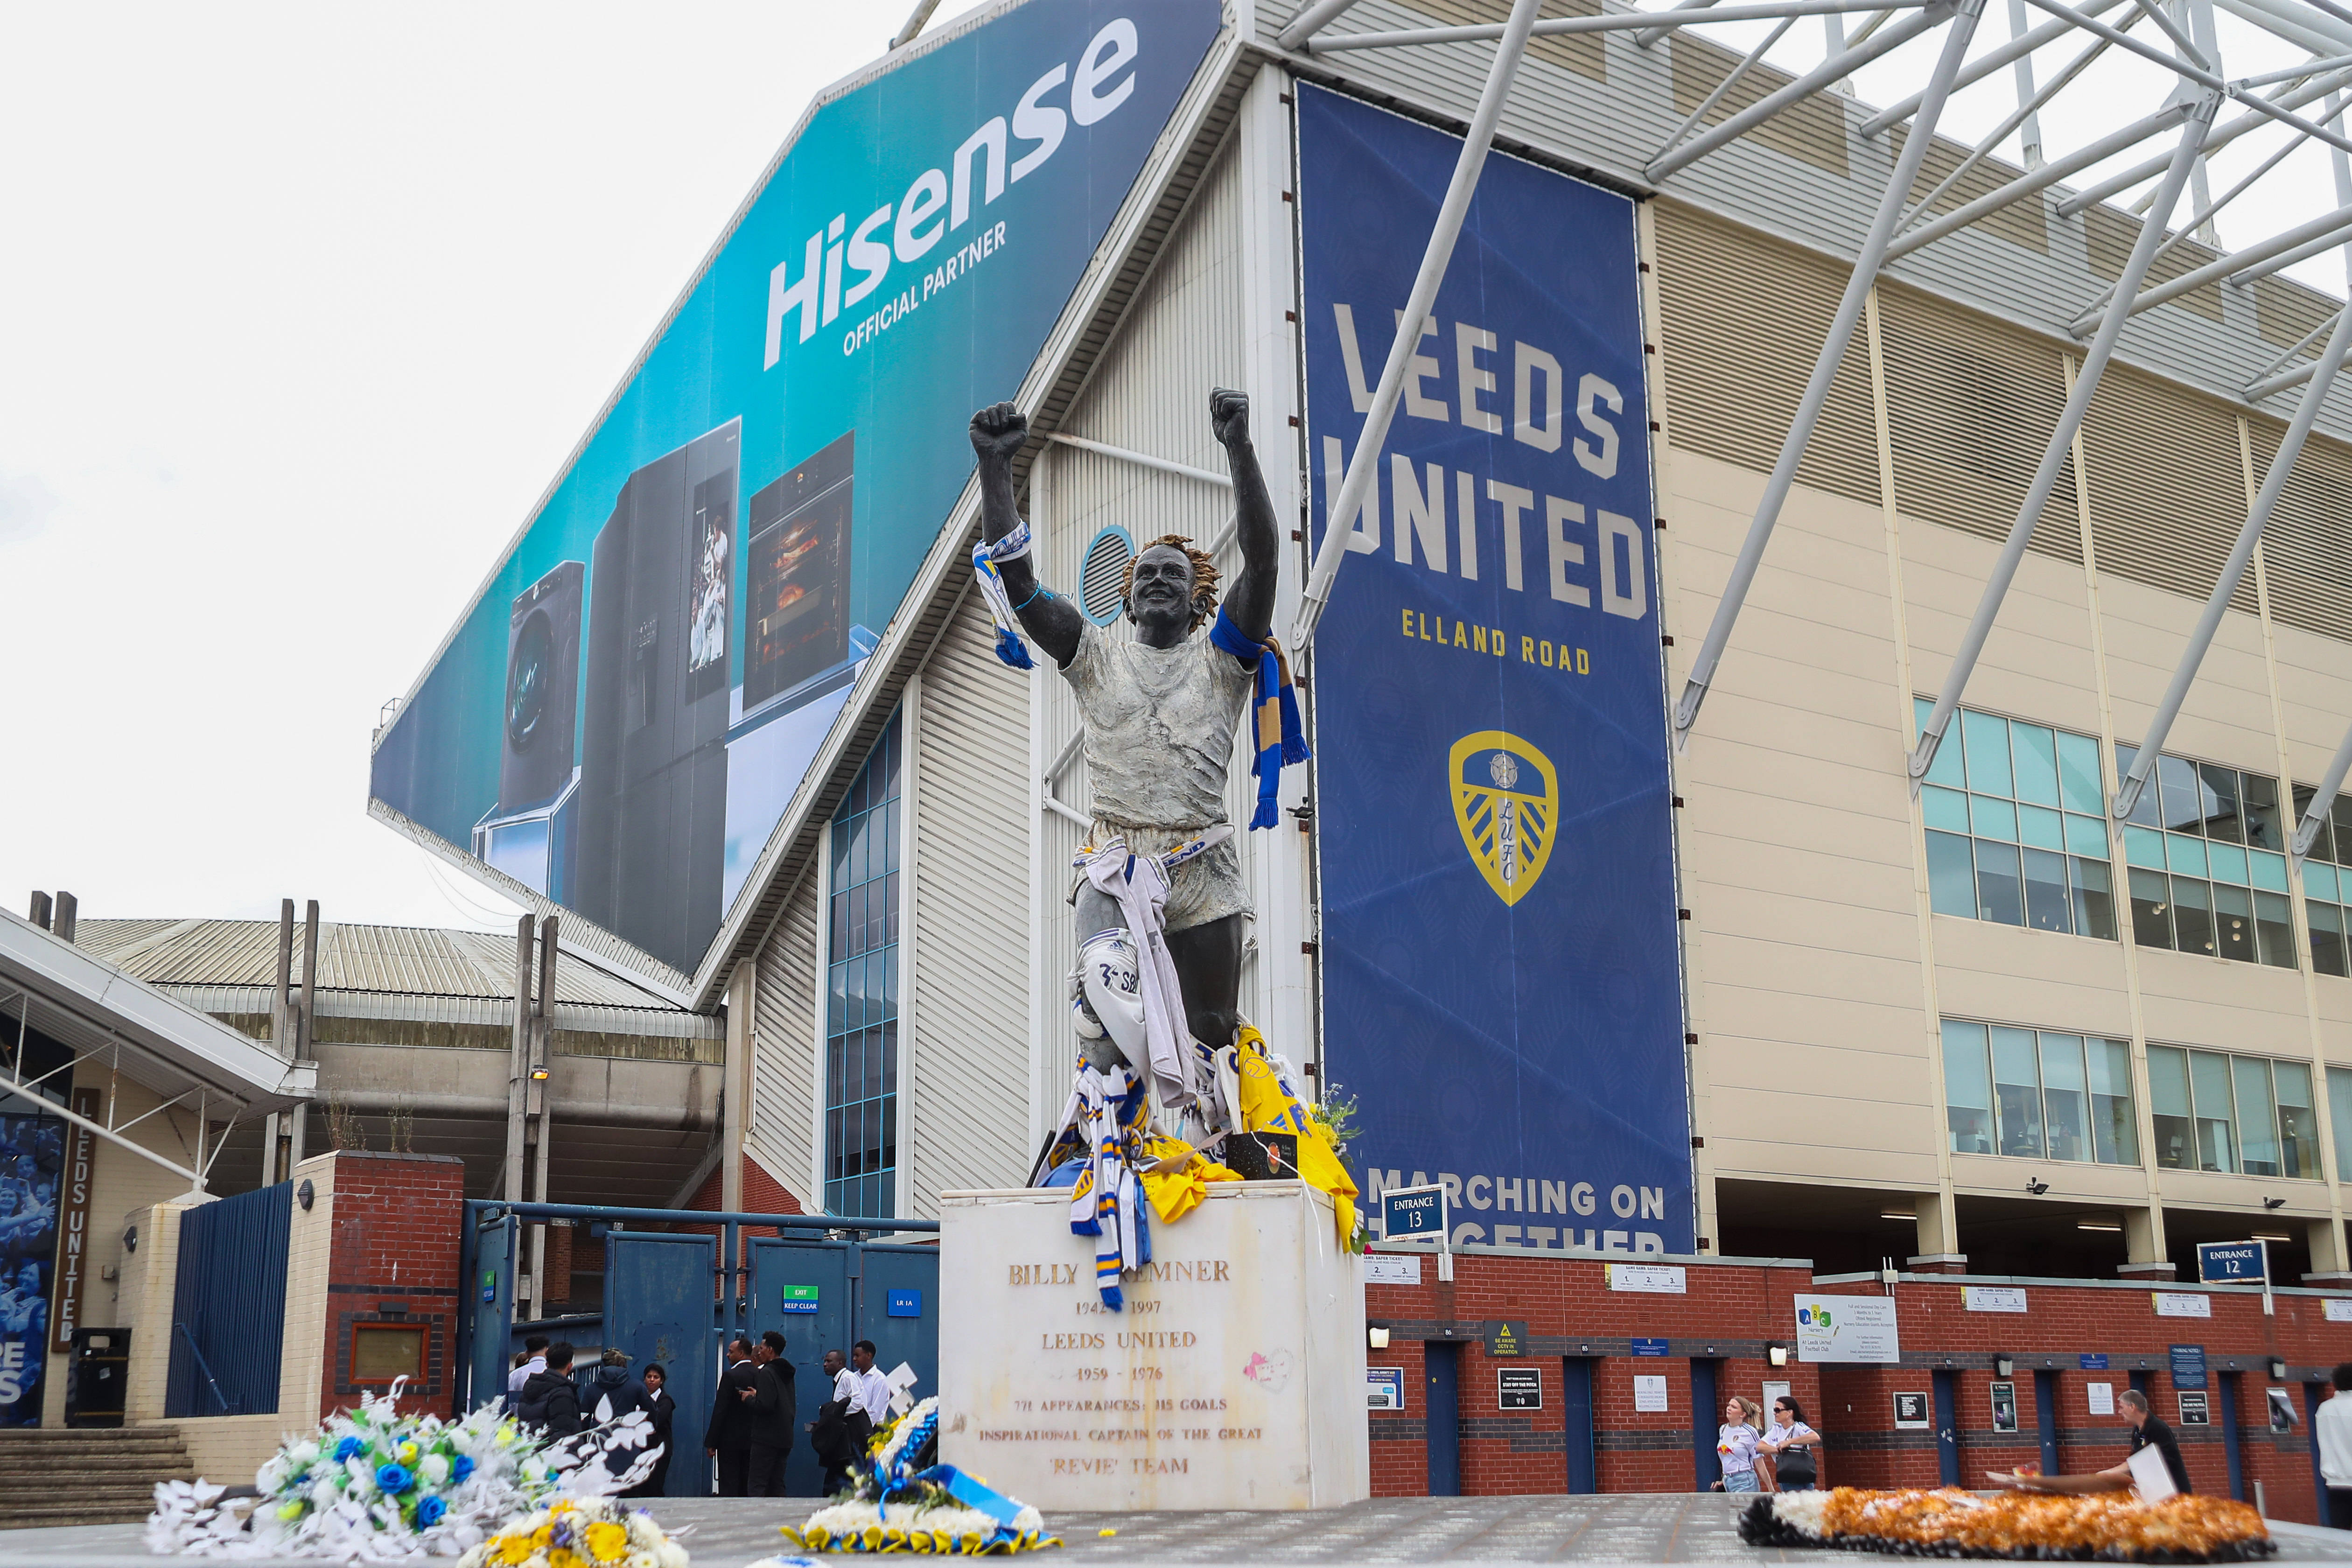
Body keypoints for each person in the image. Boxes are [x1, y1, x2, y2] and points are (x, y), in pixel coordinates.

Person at [970, 390, 1283, 1113]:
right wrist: (996, 470)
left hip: (1202, 869)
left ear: (1200, 599)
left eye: (1175, 573)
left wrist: (1238, 448)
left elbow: (1263, 564)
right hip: (1115, 862)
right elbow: (1019, 586)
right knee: (1105, 1021)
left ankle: (1232, 1167)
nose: (1160, 580)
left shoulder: (1224, 660)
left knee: (1213, 1040)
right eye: (1147, 576)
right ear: (1130, 601)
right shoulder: (1095, 656)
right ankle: (1106, 1161)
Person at [1992, 1387, 2191, 1496]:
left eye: (2121, 1408)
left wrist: (2107, 1474)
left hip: (2173, 1493)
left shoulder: (2158, 1429)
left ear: (2132, 1407)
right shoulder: (2138, 1431)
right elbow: (2133, 1463)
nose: (2119, 1412)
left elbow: (2140, 1462)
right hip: (2151, 1493)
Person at [704, 1336, 759, 1496]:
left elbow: (721, 1409)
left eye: (731, 1352)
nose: (728, 1355)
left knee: (730, 1485)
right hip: (755, 1440)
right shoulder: (761, 1374)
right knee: (748, 1484)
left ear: (741, 1354)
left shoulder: (730, 1376)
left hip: (730, 1442)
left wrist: (711, 1442)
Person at [747, 1330, 798, 1498]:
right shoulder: (786, 1372)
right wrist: (759, 1395)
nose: (759, 1352)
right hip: (785, 1436)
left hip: (766, 1438)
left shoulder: (767, 1372)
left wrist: (749, 1399)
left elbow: (766, 1406)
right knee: (777, 1483)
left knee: (757, 1483)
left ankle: (755, 1519)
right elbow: (779, 1399)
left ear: (770, 1350)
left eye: (761, 1348)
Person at [812, 1348, 868, 1496]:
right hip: (843, 1437)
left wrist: (835, 1416)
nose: (825, 1364)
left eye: (829, 1361)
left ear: (841, 1363)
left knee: (840, 1472)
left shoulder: (847, 1378)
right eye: (825, 1361)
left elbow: (858, 1403)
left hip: (849, 1438)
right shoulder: (840, 1379)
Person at [624, 1364, 677, 1499]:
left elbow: (657, 1421)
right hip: (641, 1449)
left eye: (656, 1377)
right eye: (649, 1377)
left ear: (662, 1381)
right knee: (641, 1487)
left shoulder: (665, 1400)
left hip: (659, 1450)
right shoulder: (638, 1398)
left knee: (655, 1487)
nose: (652, 1380)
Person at [516, 1342, 582, 1437]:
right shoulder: (562, 1393)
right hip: (552, 1450)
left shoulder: (530, 1386)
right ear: (569, 1366)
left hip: (529, 1447)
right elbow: (562, 1434)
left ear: (547, 1364)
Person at [1760, 1396, 1820, 1490]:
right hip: (1786, 1475)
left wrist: (1789, 1442)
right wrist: (1777, 1449)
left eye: (1778, 1410)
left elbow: (1815, 1437)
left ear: (1790, 1413)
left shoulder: (1798, 1426)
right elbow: (1760, 1447)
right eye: (1774, 1410)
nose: (1775, 1413)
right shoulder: (1776, 1429)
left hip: (1802, 1475)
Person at [1715, 1395, 1764, 1493]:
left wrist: (1771, 1489)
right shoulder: (1723, 1429)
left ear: (1743, 1415)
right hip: (1727, 1480)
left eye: (1734, 1407)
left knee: (1742, 1509)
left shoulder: (1749, 1432)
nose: (1729, 1408)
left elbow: (1759, 1462)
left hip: (1745, 1480)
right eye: (1729, 1405)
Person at [849, 1340, 893, 1428]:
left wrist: (863, 1429)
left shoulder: (879, 1379)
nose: (854, 1359)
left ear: (869, 1356)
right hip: (854, 1429)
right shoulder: (853, 1377)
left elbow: (876, 1411)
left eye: (857, 1356)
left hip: (873, 1428)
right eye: (854, 1355)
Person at [507, 1335, 549, 1407]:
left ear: (527, 1353)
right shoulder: (556, 1372)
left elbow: (508, 1402)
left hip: (521, 1416)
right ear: (547, 1351)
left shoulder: (516, 1374)